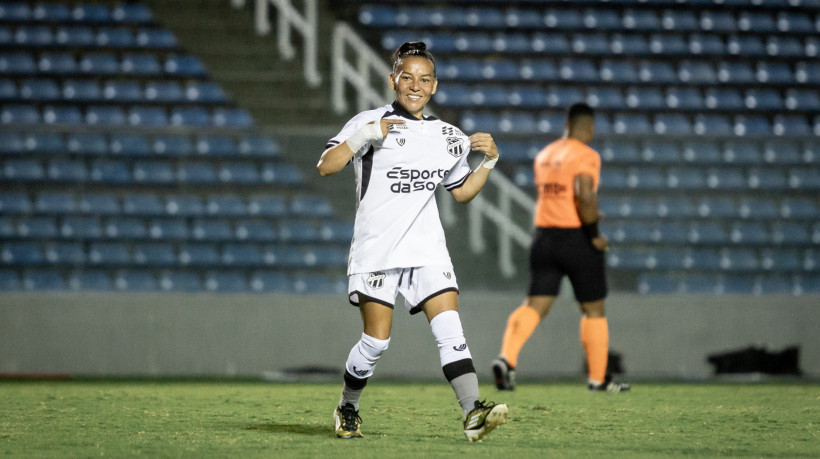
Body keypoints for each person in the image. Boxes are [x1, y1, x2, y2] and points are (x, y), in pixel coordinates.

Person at [317, 41, 507, 442]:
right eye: (407, 77)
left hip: (426, 248)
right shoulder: (370, 121)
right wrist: (367, 134)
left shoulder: (448, 136)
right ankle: (348, 405)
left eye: (424, 79)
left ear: (434, 86)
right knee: (375, 342)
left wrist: (488, 162)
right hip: (377, 249)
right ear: (393, 80)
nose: (415, 85)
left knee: (451, 331)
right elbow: (326, 165)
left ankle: (473, 413)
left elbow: (461, 192)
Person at [491, 103, 630, 393]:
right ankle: (597, 378)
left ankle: (507, 359)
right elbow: (584, 195)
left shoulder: (546, 154)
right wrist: (594, 234)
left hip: (544, 238)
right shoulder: (586, 155)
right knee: (593, 309)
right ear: (589, 127)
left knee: (535, 305)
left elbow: (561, 196)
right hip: (576, 238)